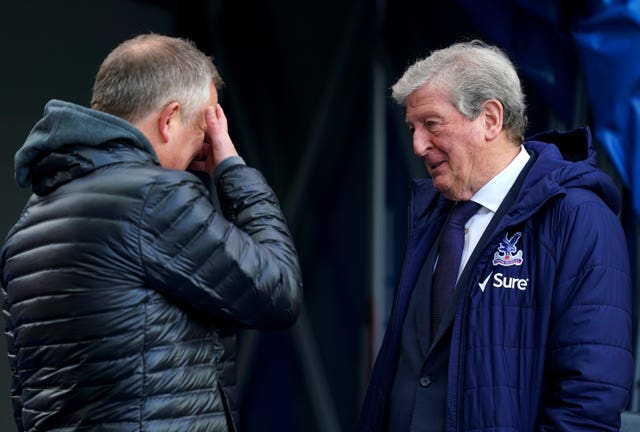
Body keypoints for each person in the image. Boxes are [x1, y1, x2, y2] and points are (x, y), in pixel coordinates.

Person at [0, 33, 302, 432]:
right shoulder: (155, 197)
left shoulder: (27, 226)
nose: (204, 149)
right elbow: (278, 292)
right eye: (204, 129)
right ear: (170, 118)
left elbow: (24, 393)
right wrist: (233, 171)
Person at [358, 40, 633, 431]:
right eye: (413, 128)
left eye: (431, 124)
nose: (418, 145)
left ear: (490, 119)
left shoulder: (576, 217)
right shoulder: (433, 214)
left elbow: (589, 398)